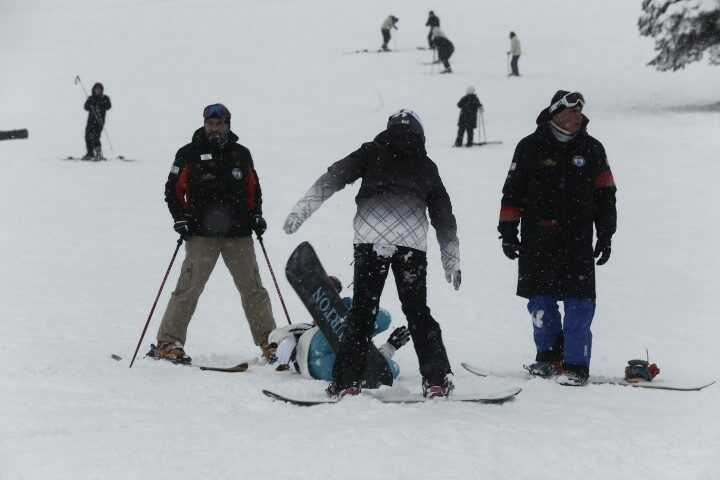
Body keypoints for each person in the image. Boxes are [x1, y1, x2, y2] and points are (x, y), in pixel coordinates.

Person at [283, 109, 461, 398]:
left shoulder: (371, 152)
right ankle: (436, 381)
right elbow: (443, 216)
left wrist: (301, 211)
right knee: (417, 311)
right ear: (420, 134)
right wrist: (451, 258)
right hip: (410, 245)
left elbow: (334, 176)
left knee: (362, 312)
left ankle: (346, 383)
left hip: (371, 240)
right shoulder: (426, 166)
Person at [497, 91, 617, 386]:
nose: (579, 116)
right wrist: (508, 231)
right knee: (541, 301)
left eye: (580, 111)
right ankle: (549, 357)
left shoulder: (592, 148)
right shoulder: (529, 147)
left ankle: (576, 364)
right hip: (537, 238)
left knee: (580, 304)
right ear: (557, 114)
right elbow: (512, 191)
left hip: (577, 239)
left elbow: (606, 195)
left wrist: (605, 234)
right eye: (573, 111)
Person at [149, 103, 277, 365]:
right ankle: (168, 342)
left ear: (228, 125)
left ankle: (269, 342)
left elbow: (253, 189)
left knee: (253, 289)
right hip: (201, 234)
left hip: (238, 233)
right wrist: (180, 217)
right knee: (188, 288)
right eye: (210, 123)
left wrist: (256, 215)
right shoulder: (189, 153)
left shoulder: (241, 153)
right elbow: (173, 189)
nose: (214, 128)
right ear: (204, 124)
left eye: (219, 124)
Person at [268, 276, 412, 381]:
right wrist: (286, 340)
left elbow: (384, 319)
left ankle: (351, 325)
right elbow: (275, 334)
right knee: (357, 331)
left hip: (330, 367)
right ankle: (349, 325)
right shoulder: (307, 328)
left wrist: (389, 347)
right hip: (313, 350)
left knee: (393, 369)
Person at [82, 82, 111, 160]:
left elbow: (108, 106)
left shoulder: (105, 98)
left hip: (99, 121)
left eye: (99, 89)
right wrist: (91, 104)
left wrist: (100, 105)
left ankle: (99, 153)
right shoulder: (91, 98)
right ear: (93, 90)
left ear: (102, 90)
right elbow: (86, 107)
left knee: (96, 136)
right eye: (96, 89)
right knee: (88, 136)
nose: (97, 91)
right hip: (90, 121)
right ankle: (90, 153)